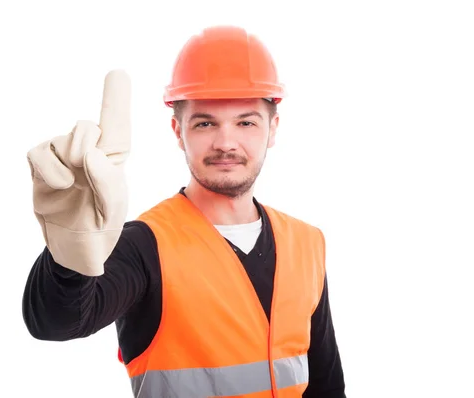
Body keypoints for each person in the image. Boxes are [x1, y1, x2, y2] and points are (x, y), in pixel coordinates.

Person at [22, 25, 346, 397]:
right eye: (205, 123)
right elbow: (55, 322)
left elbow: (325, 383)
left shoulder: (307, 242)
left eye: (246, 122)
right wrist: (69, 257)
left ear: (273, 129)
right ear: (178, 131)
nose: (226, 142)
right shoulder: (143, 246)